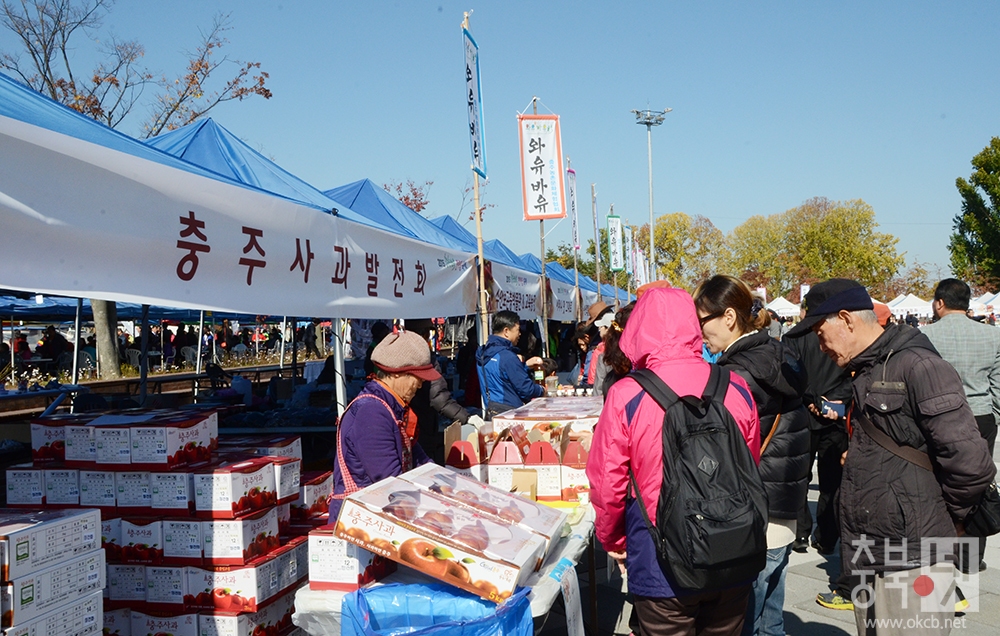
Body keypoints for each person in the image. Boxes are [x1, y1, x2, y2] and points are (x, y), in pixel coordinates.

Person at [785, 278, 996, 635]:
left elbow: (972, 464)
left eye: (820, 333)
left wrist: (944, 518)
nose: (819, 346)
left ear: (846, 320)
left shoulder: (918, 366)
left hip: (914, 555)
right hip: (872, 550)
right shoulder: (868, 370)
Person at [588, 287, 761, 636]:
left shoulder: (627, 394)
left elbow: (608, 482)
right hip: (733, 547)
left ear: (638, 329)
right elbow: (749, 466)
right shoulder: (736, 385)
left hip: (660, 557)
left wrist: (615, 542)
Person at [693, 275, 811, 636]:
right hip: (784, 506)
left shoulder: (737, 373)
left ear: (728, 317)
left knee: (747, 618)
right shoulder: (778, 355)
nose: (700, 332)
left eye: (702, 321)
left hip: (754, 513)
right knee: (771, 618)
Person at [922, 278, 1000, 573]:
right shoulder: (991, 336)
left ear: (939, 303)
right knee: (977, 483)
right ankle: (972, 555)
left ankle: (941, 551)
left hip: (938, 416)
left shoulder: (926, 335)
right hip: (980, 416)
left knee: (939, 485)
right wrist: (993, 414)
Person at [328, 330, 437, 520]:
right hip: (360, 523)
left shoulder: (392, 408)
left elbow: (420, 461)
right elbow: (388, 480)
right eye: (417, 378)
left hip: (382, 514)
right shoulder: (370, 412)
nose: (420, 385)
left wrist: (442, 482)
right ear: (395, 373)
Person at [476, 310, 543, 417]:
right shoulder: (507, 356)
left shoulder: (484, 353)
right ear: (506, 331)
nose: (519, 334)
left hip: (492, 410)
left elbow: (502, 377)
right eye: (517, 330)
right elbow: (526, 389)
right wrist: (541, 389)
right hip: (511, 414)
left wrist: (524, 366)